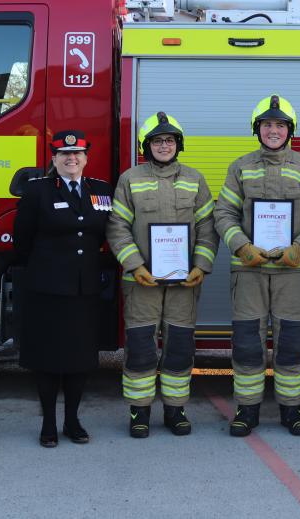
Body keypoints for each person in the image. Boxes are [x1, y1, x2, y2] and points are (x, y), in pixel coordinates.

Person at [214, 95, 300, 437]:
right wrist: (241, 246)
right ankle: (247, 409)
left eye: (280, 125)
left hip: (293, 272)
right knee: (248, 342)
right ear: (257, 129)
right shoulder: (240, 167)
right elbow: (224, 213)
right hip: (248, 270)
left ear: (290, 130)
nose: (274, 131)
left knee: (292, 341)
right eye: (267, 125)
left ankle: (291, 409)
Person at [107, 112, 217, 438]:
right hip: (142, 282)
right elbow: (118, 228)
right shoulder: (130, 179)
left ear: (178, 144)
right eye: (157, 140)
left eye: (169, 140)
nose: (164, 145)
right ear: (147, 145)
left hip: (184, 283)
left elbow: (209, 230)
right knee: (140, 347)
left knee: (180, 346)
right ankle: (139, 412)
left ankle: (175, 409)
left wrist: (201, 265)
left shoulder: (195, 179)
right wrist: (134, 265)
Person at [12, 130, 113, 447]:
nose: (72, 159)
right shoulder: (37, 192)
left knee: (80, 358)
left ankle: (72, 420)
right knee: (48, 358)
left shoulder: (101, 191)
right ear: (54, 159)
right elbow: (22, 242)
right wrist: (35, 276)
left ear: (86, 158)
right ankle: (49, 424)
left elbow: (109, 234)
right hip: (47, 289)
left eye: (78, 154)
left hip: (85, 290)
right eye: (64, 154)